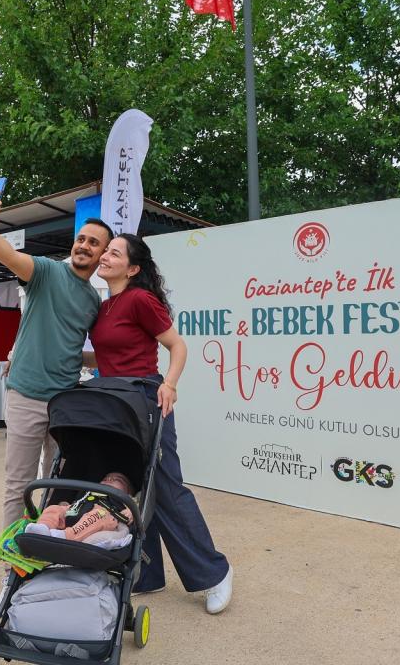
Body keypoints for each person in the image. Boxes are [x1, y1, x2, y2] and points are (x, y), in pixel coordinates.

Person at [88, 233, 233, 614]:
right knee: (132, 486)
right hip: (112, 401)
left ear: (133, 268)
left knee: (166, 486)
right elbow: (108, 355)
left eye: (113, 252)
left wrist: (169, 384)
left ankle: (214, 573)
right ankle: (148, 574)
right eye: (106, 250)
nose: (104, 255)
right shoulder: (105, 305)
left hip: (145, 399)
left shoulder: (140, 299)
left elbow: (177, 346)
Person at [0, 192, 112, 530]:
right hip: (26, 396)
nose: (84, 246)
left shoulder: (94, 300)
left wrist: (118, 359)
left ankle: (43, 543)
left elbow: (72, 347)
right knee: (18, 486)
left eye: (94, 243)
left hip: (64, 403)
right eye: (81, 239)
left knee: (56, 484)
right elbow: (7, 254)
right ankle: (12, 567)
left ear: (103, 254)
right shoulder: (46, 272)